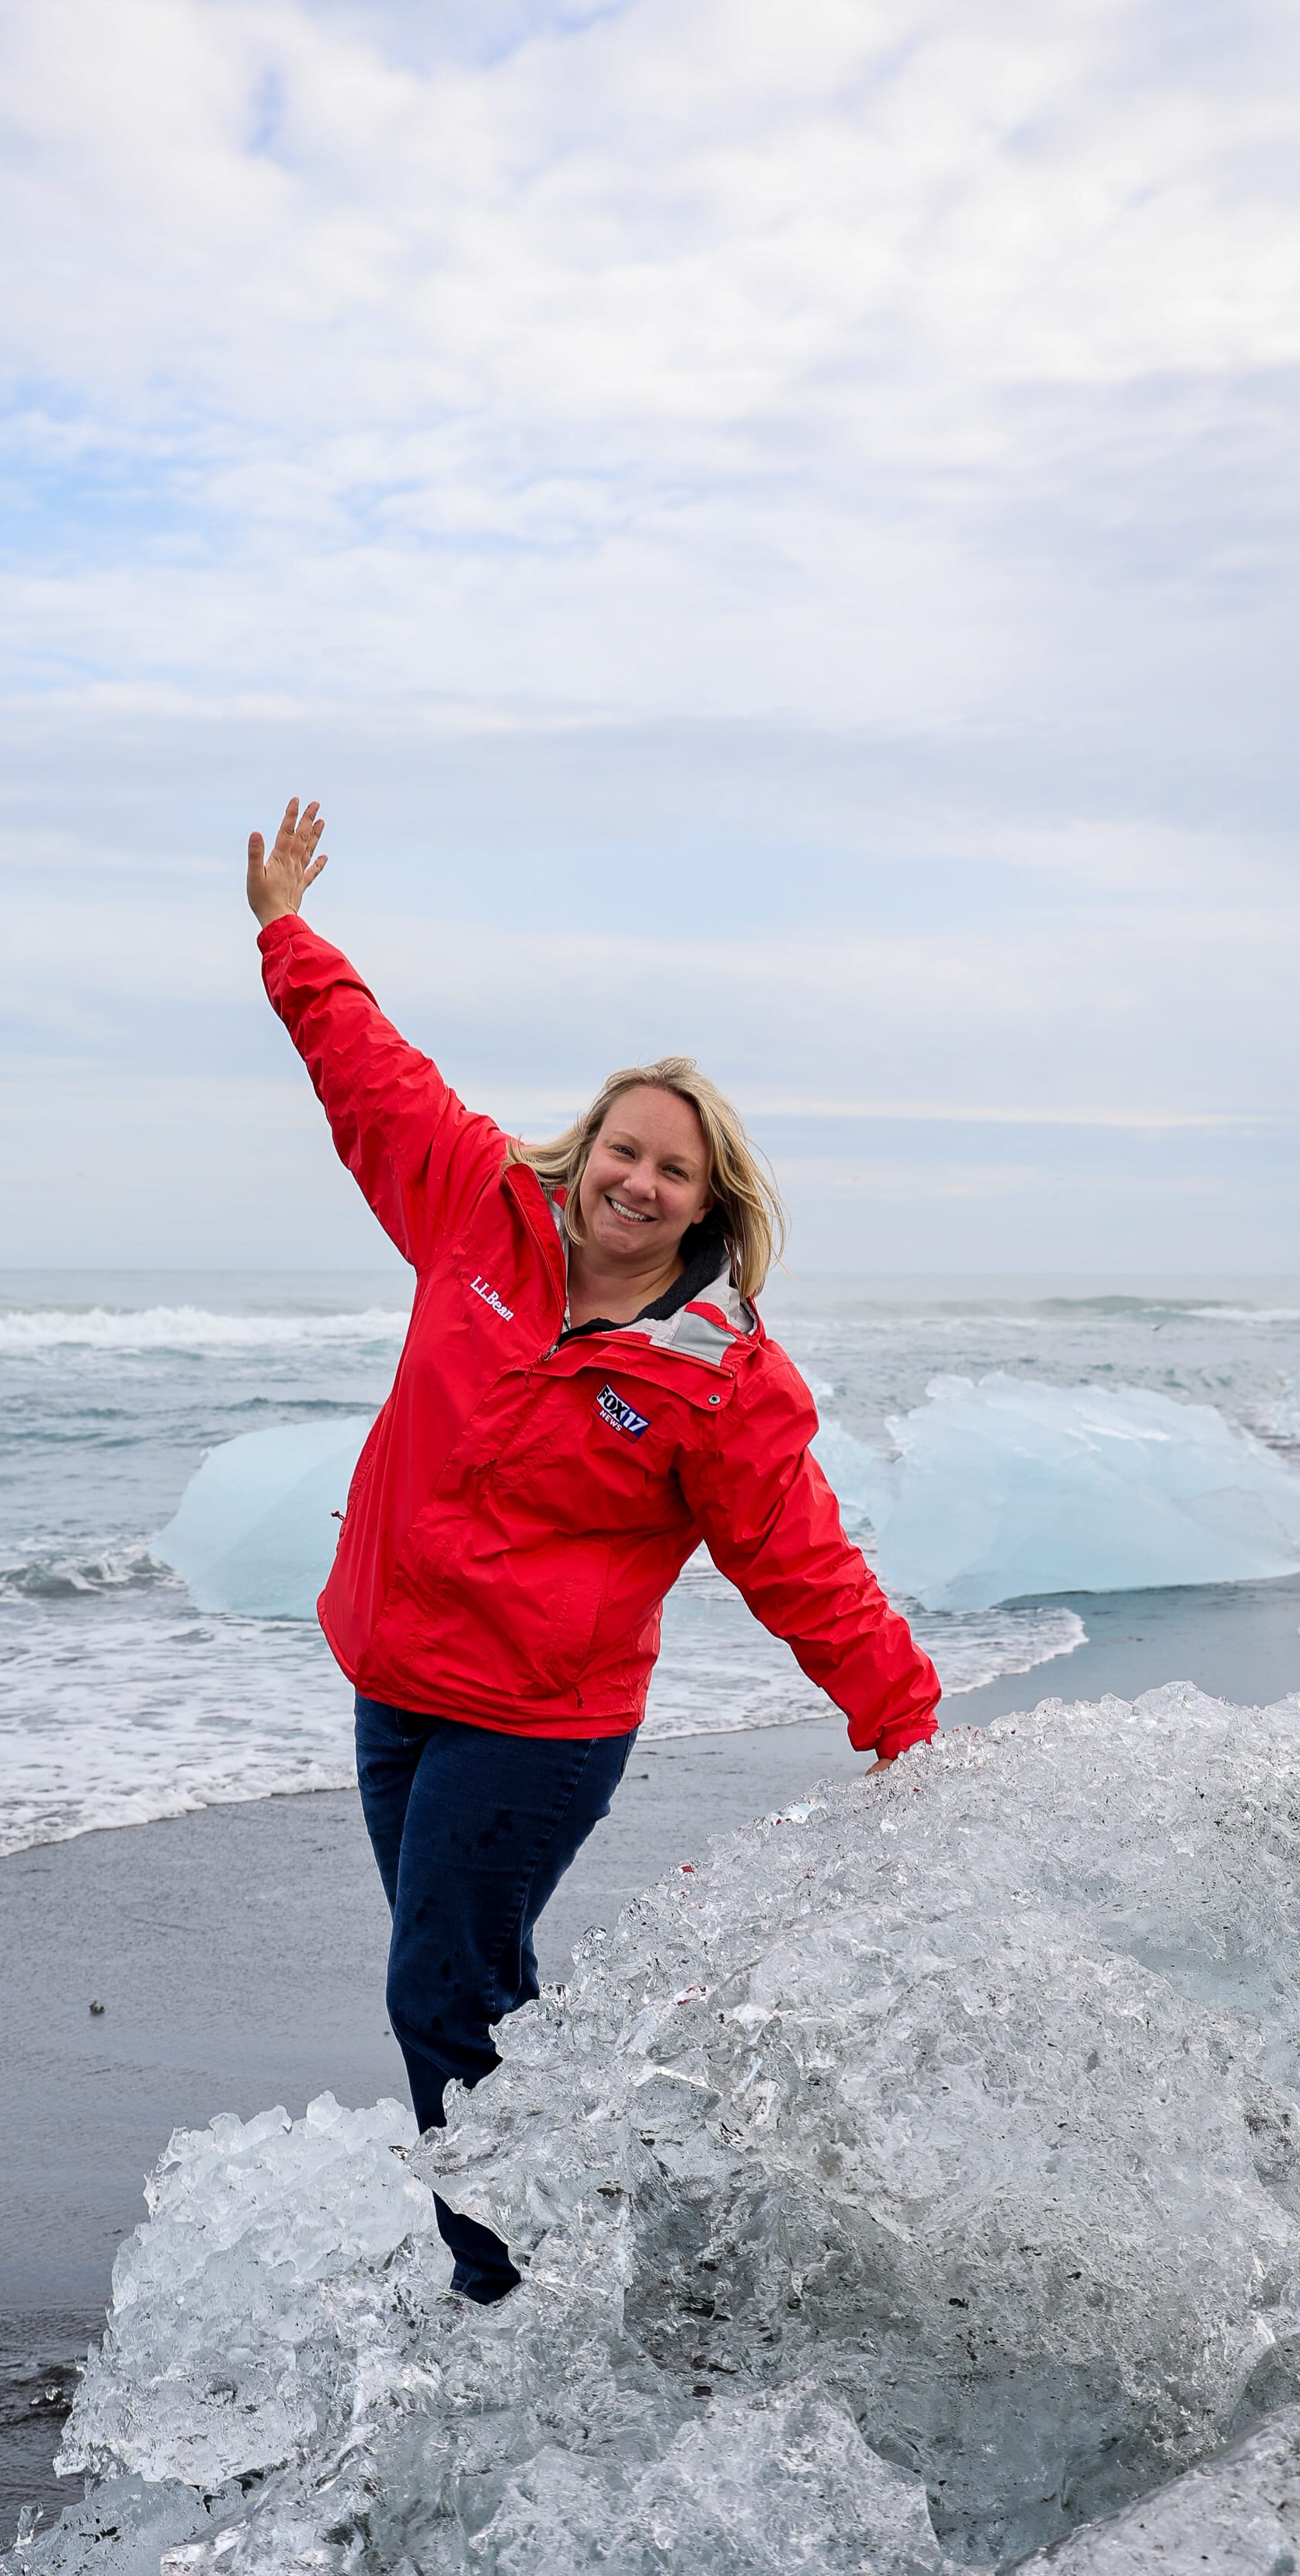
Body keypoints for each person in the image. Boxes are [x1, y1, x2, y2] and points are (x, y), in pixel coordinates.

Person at [244, 796, 940, 2303]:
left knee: (437, 1985)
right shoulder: (473, 1210)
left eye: (671, 1173)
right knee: (481, 1991)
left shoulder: (713, 1376)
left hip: (537, 1725)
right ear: (590, 1145)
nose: (637, 1182)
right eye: (625, 1149)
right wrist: (288, 935)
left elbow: (797, 1560)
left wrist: (903, 1719)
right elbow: (368, 1075)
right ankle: (599, 2223)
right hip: (396, 1687)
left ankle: (502, 2288)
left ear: (709, 1203)